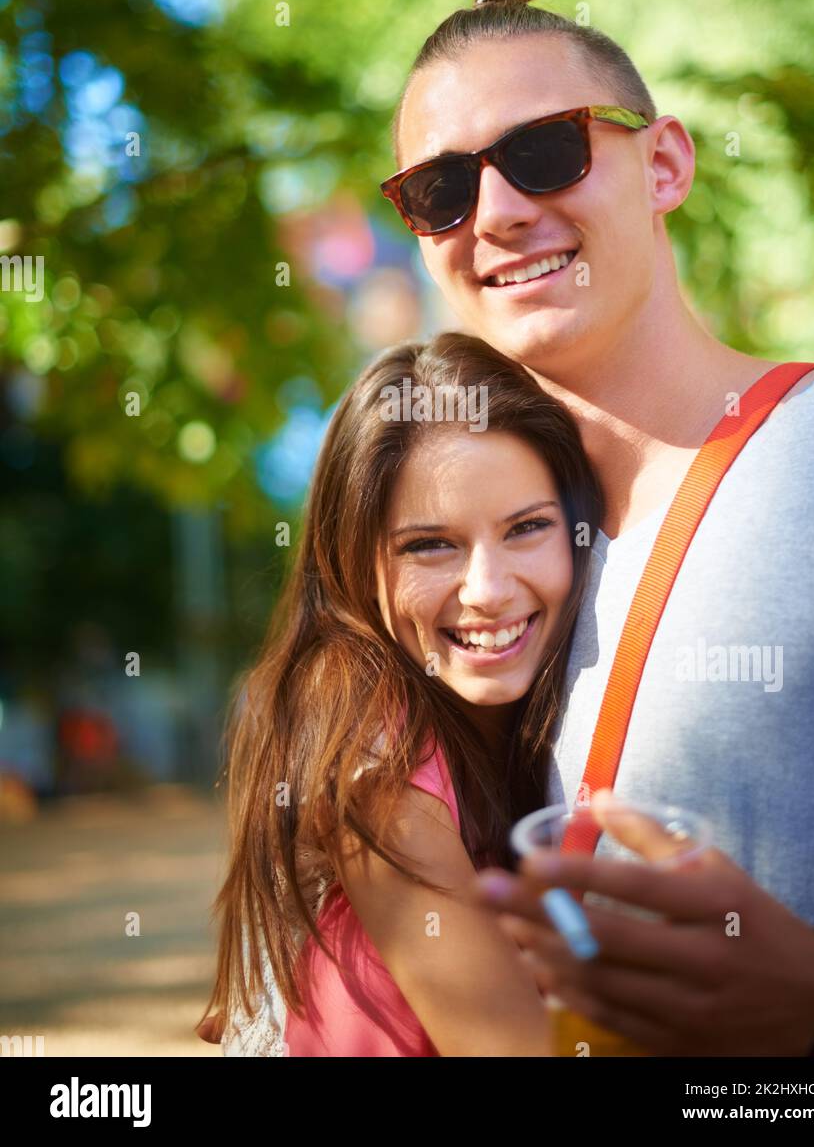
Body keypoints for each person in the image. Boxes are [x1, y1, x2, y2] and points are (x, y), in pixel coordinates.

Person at [378, 0, 814, 1055]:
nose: (495, 212)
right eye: (442, 189)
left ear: (666, 165)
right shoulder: (496, 577)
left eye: (545, 151)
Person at [198, 332, 601, 1055]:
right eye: (429, 545)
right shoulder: (374, 755)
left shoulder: (495, 717)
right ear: (355, 558)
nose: (487, 591)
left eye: (527, 528)